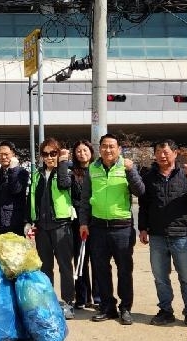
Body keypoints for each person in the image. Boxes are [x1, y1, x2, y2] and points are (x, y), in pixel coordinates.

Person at [137, 140, 187, 330]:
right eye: (158, 152)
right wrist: (142, 228)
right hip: (157, 236)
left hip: (181, 235)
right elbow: (144, 205)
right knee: (160, 277)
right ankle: (165, 311)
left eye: (166, 152)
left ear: (175, 153)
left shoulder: (185, 174)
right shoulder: (149, 177)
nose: (162, 155)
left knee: (186, 277)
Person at [78, 134, 145, 325]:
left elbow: (140, 191)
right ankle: (108, 307)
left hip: (122, 227)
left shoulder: (127, 166)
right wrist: (84, 222)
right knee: (101, 269)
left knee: (124, 269)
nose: (108, 150)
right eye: (104, 146)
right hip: (97, 227)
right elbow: (85, 199)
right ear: (99, 149)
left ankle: (125, 308)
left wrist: (131, 171)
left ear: (119, 149)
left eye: (112, 146)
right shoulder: (93, 168)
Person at [27, 138, 77, 319]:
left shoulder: (65, 172)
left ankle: (68, 302)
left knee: (65, 266)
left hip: (61, 225)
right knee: (45, 267)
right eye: (45, 154)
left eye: (53, 153)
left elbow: (64, 184)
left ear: (59, 154)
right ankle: (48, 300)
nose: (49, 157)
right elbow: (32, 199)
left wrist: (62, 163)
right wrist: (31, 221)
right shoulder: (37, 174)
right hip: (42, 227)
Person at [70, 140, 98, 310]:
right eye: (78, 151)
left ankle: (98, 297)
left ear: (91, 152)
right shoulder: (71, 172)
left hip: (96, 221)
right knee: (80, 260)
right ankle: (81, 297)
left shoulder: (97, 170)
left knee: (97, 260)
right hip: (78, 222)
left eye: (85, 150)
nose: (82, 153)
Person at [0, 140, 29, 236]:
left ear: (13, 154)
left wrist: (13, 169)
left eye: (6, 154)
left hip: (14, 224)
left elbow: (16, 189)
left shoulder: (21, 172)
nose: (3, 157)